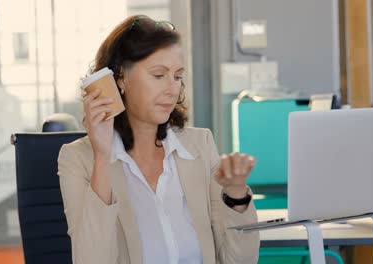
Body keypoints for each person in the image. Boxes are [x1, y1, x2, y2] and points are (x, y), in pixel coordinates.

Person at [57, 15, 260, 264]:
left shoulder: (200, 146)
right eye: (158, 75)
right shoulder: (78, 159)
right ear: (120, 77)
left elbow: (241, 260)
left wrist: (236, 193)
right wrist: (102, 156)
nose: (172, 89)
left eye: (177, 77)